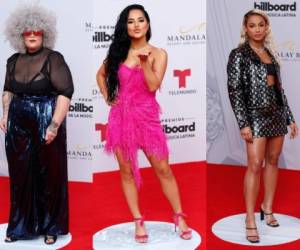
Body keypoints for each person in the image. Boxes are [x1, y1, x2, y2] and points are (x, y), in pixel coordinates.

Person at [96, 4, 192, 243]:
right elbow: (100, 74)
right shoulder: (118, 52)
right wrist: (108, 96)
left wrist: (146, 63)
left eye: (141, 20)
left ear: (148, 24)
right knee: (126, 172)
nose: (136, 25)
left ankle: (179, 216)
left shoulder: (159, 53)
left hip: (147, 118)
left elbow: (151, 86)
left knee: (163, 170)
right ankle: (138, 221)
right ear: (125, 27)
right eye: (131, 21)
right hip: (120, 119)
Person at [0, 4, 74, 244]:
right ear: (20, 34)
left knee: (49, 173)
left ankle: (50, 226)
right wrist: (4, 115)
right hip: (17, 121)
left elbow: (65, 92)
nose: (32, 35)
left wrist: (54, 125)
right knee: (20, 173)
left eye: (37, 31)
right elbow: (8, 90)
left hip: (45, 117)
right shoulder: (13, 60)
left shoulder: (54, 58)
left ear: (45, 33)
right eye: (27, 31)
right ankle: (20, 226)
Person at [227, 9, 298, 243]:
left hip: (276, 114)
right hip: (255, 116)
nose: (257, 29)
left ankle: (267, 208)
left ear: (266, 27)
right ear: (245, 28)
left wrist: (290, 117)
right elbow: (235, 91)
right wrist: (243, 123)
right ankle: (249, 218)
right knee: (255, 164)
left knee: (274, 160)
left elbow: (279, 90)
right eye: (252, 25)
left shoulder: (271, 54)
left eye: (261, 25)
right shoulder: (239, 55)